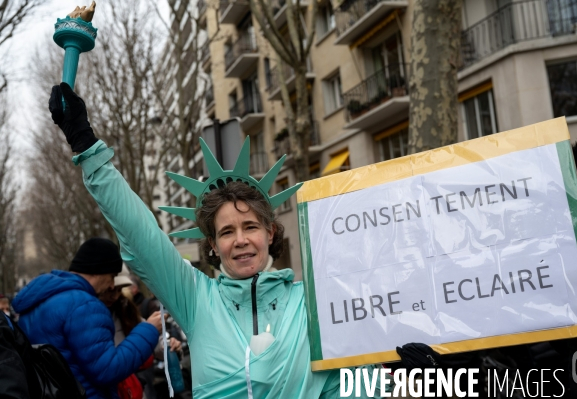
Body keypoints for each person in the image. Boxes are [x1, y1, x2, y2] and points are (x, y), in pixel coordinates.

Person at [48, 82, 398, 398]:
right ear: (212, 245)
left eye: (250, 227)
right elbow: (140, 233)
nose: (241, 240)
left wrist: (405, 376)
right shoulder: (197, 300)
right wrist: (87, 147)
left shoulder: (313, 302)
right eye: (227, 232)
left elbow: (351, 384)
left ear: (270, 232)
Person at [12, 237, 163, 399]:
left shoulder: (36, 303)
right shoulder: (85, 305)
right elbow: (108, 370)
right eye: (112, 276)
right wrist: (149, 330)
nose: (112, 285)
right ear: (98, 270)